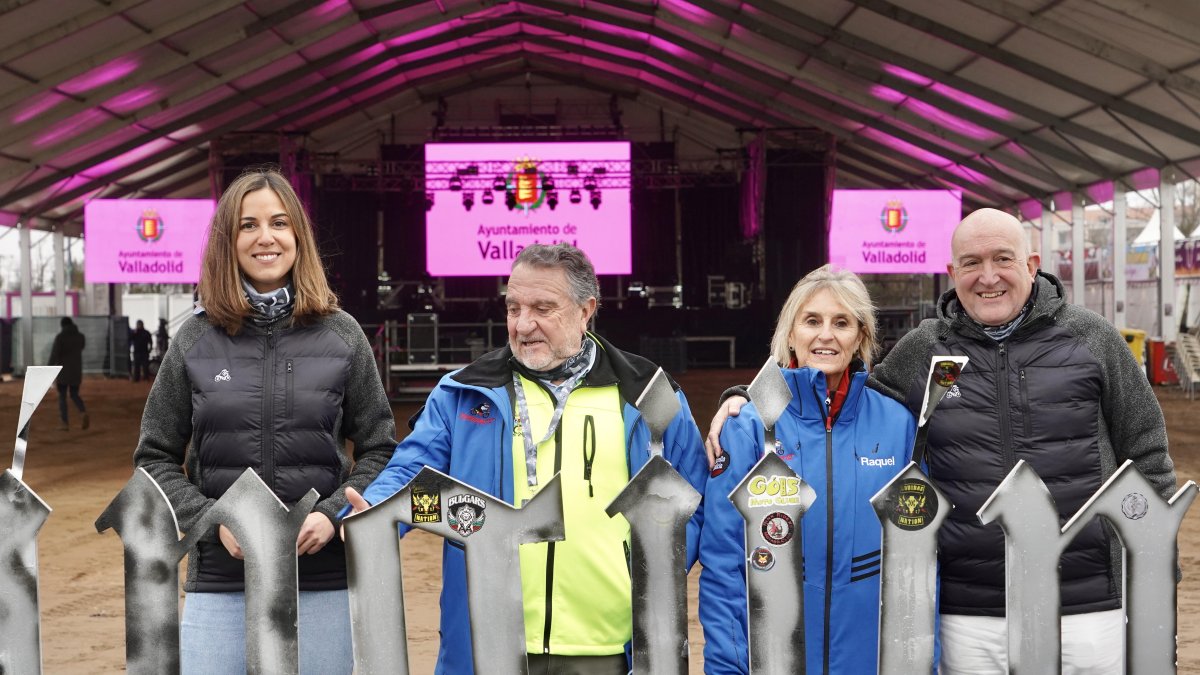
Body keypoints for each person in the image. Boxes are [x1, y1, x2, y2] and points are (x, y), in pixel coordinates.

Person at [707, 208, 1177, 674]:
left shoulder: (1092, 338)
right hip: (968, 615)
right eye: (972, 263)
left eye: (1003, 259)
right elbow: (841, 397)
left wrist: (1151, 566)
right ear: (953, 273)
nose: (988, 277)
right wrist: (747, 399)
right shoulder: (925, 348)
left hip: (1086, 605)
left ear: (1032, 265)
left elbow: (1147, 452)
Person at [344, 243, 709, 675]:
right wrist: (379, 508)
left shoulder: (649, 394)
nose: (523, 324)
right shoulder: (464, 393)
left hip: (611, 646)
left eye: (542, 308)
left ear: (585, 311)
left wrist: (646, 576)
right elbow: (413, 472)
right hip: (488, 647)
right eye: (513, 308)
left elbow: (693, 504)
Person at [132, 168, 397, 675]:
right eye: (248, 225)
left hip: (321, 579)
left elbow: (381, 449)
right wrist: (214, 520)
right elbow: (153, 458)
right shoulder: (194, 340)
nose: (265, 237)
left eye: (278, 223)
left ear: (298, 235)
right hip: (221, 584)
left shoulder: (343, 334)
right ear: (228, 242)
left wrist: (335, 513)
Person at [697, 265, 917, 674]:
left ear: (861, 336)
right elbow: (724, 560)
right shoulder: (749, 426)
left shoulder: (897, 424)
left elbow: (917, 558)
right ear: (790, 334)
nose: (825, 335)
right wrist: (726, 667)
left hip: (868, 658)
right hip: (775, 660)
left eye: (842, 323)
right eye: (812, 321)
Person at [48, 316, 88, 431]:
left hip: (63, 372)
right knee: (74, 394)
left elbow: (54, 354)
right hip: (76, 371)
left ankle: (64, 423)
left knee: (62, 397)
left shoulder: (60, 337)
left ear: (62, 326)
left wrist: (48, 369)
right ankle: (83, 412)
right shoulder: (80, 337)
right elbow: (82, 347)